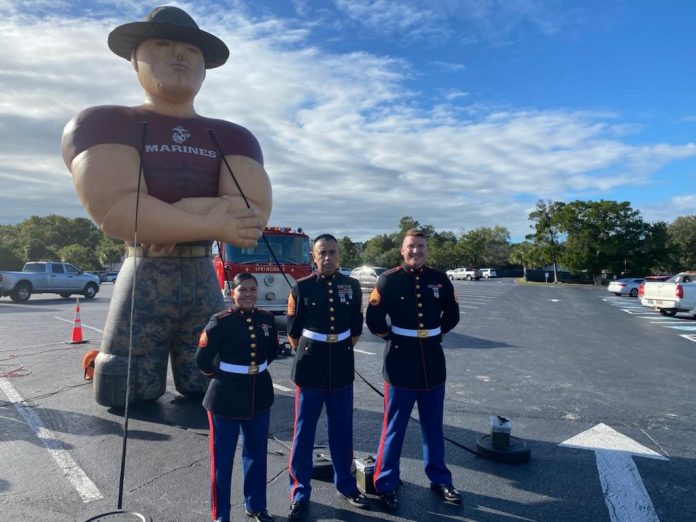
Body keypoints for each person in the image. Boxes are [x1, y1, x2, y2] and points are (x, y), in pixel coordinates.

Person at [61, 6, 271, 406]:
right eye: (162, 46)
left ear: (205, 68)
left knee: (209, 381)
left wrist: (167, 216)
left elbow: (250, 217)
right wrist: (210, 216)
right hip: (144, 272)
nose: (179, 56)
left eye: (191, 52)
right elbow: (118, 210)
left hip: (200, 275)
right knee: (124, 385)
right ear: (134, 59)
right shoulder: (103, 123)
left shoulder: (234, 137)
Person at [366, 228, 462, 509]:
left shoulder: (440, 279)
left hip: (432, 362)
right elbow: (374, 318)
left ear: (426, 250)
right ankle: (385, 482)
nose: (416, 251)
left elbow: (452, 314)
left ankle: (440, 479)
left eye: (421, 247)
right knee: (394, 427)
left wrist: (435, 333)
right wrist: (393, 337)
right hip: (400, 364)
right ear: (402, 250)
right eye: (411, 247)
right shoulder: (389, 280)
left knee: (433, 427)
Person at [285, 234, 368, 519]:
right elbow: (293, 332)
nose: (328, 257)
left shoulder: (353, 286)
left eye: (332, 252)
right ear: (313, 257)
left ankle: (346, 485)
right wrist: (314, 351)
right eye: (322, 253)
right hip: (310, 367)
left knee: (342, 430)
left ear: (339, 255)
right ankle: (299, 491)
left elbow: (355, 328)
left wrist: (337, 347)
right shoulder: (302, 287)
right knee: (303, 432)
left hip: (341, 366)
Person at [196, 273, 278, 522]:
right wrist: (221, 377)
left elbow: (271, 352)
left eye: (253, 289)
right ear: (233, 292)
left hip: (259, 395)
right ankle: (221, 515)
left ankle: (256, 506)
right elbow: (202, 359)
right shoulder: (220, 321)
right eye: (243, 290)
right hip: (225, 397)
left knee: (256, 454)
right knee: (222, 460)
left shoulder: (267, 319)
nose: (249, 294)